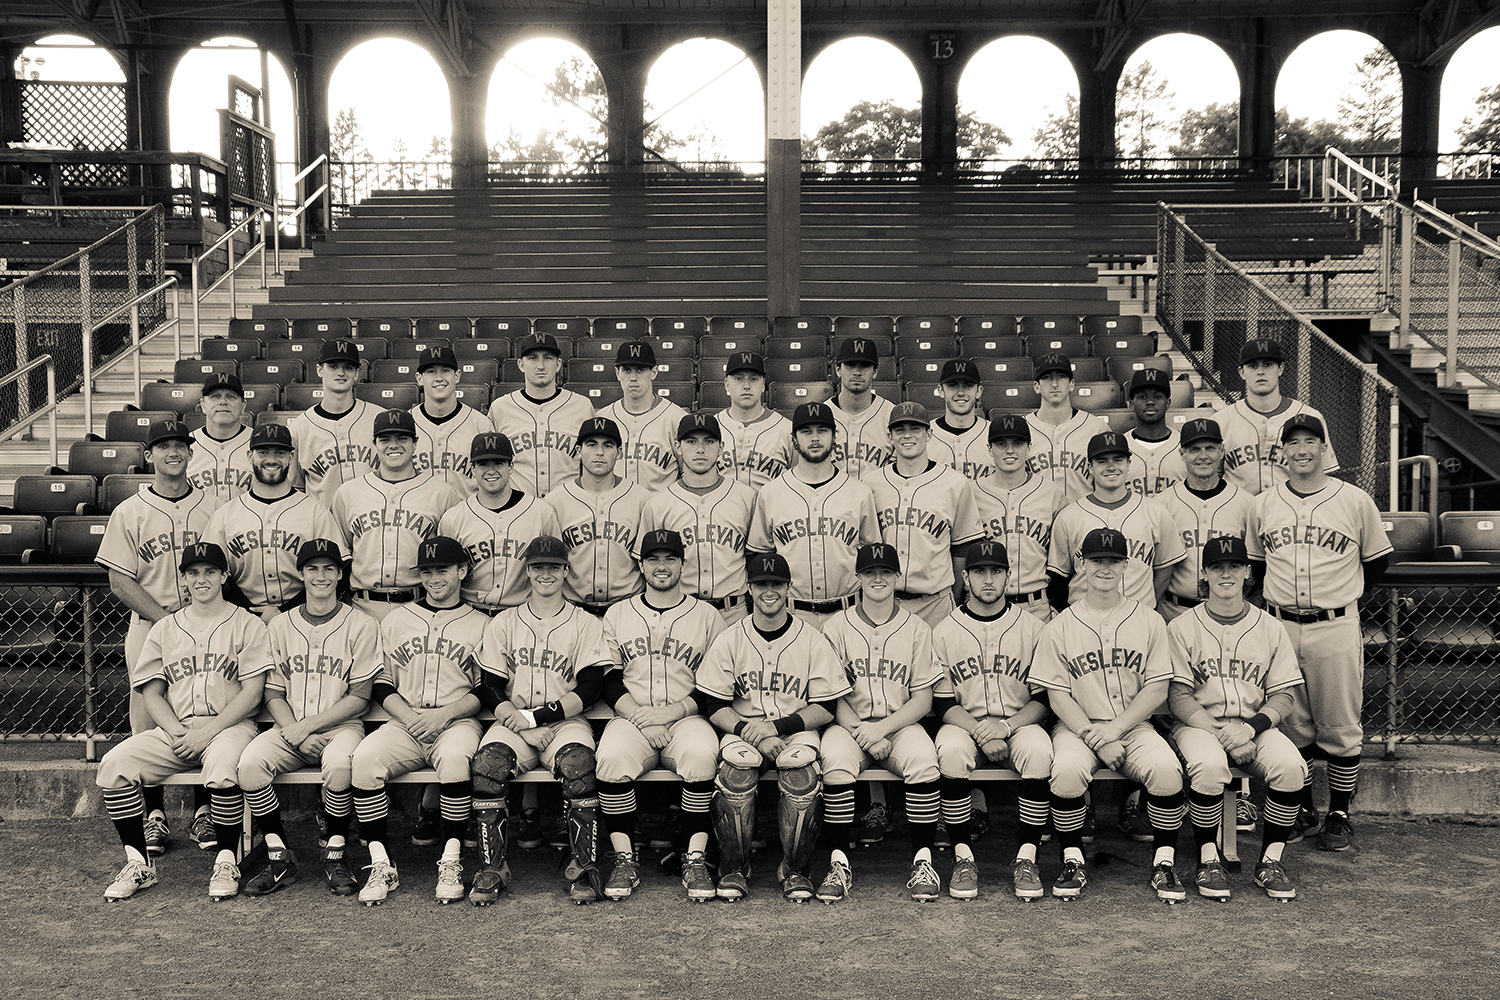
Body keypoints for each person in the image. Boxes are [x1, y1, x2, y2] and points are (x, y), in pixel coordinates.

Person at [1245, 414, 1390, 852]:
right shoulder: (1262, 504)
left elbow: (1377, 562)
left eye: (1312, 441)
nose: (1302, 449)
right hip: (1280, 625)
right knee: (1294, 725)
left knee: (1341, 724)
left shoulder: (1356, 500)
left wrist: (1338, 594)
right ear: (1282, 451)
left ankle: (1340, 813)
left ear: (1325, 449)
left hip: (1336, 625)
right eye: (1294, 442)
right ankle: (1303, 807)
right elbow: (1257, 564)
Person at [96, 541, 272, 901]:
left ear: (224, 576)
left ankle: (226, 859)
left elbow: (252, 694)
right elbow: (151, 693)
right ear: (184, 579)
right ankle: (138, 862)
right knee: (115, 764)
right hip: (177, 727)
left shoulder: (247, 623)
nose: (201, 579)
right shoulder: (164, 628)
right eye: (193, 573)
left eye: (209, 572)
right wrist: (178, 732)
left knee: (223, 768)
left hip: (230, 726)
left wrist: (207, 732)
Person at [1031, 528, 1187, 903]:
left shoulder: (1149, 621)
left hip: (1132, 726)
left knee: (1166, 769)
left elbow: (1157, 688)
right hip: (1077, 727)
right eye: (1097, 560)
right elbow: (1057, 693)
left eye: (1113, 561)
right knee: (1066, 771)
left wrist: (1114, 731)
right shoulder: (1061, 625)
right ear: (1082, 564)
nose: (1105, 567)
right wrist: (1092, 736)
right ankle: (1072, 860)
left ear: (1125, 565)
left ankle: (1164, 863)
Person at [695, 553, 852, 901]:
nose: (769, 591)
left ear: (788, 588)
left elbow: (825, 707)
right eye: (761, 584)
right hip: (743, 729)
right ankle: (734, 867)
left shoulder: (811, 639)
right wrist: (751, 731)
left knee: (801, 776)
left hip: (795, 728)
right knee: (736, 774)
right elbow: (713, 705)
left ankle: (795, 870)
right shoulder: (730, 638)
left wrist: (775, 727)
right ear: (749, 588)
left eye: (776, 584)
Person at [468, 535, 615, 905]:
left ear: (566, 571)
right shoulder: (504, 622)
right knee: (488, 767)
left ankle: (585, 867)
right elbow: (489, 685)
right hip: (513, 721)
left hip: (564, 722)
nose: (545, 574)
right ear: (527, 571)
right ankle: (491, 868)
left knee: (580, 768)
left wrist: (533, 719)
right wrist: (520, 723)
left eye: (553, 566)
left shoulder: (585, 622)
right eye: (537, 567)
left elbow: (591, 687)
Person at [96, 419, 217, 854]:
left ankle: (204, 813)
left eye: (180, 445)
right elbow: (118, 581)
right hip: (150, 629)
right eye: (163, 446)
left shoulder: (213, 507)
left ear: (191, 453)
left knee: (205, 712)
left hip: (209, 630)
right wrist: (167, 620)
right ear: (149, 455)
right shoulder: (129, 510)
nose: (173, 452)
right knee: (148, 722)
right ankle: (154, 815)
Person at [236, 538, 382, 897]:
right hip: (291, 727)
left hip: (340, 728)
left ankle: (334, 852)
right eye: (313, 568)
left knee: (339, 765)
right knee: (250, 764)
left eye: (329, 568)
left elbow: (361, 696)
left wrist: (306, 728)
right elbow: (272, 692)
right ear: (300, 574)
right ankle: (278, 854)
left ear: (340, 574)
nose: (321, 575)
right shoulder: (280, 626)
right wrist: (295, 732)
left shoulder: (361, 624)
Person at [1167, 536, 1308, 901]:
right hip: (1199, 724)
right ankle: (1208, 858)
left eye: (1234, 566)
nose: (1225, 574)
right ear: (1205, 573)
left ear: (1247, 571)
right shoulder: (1182, 627)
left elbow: (1284, 695)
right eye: (1217, 567)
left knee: (1292, 767)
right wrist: (1221, 733)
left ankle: (1270, 861)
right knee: (1210, 766)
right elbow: (1178, 696)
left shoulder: (1270, 627)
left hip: (1254, 725)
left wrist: (1248, 729)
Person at [349, 535, 487, 905]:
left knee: (457, 759)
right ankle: (381, 863)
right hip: (405, 722)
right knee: (363, 761)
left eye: (442, 569)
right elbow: (381, 683)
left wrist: (444, 715)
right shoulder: (397, 619)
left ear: (462, 571)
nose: (434, 578)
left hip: (455, 721)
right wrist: (410, 718)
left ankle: (452, 858)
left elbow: (485, 689)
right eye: (426, 571)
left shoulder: (482, 623)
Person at [597, 529, 726, 900]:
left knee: (702, 755)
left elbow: (716, 684)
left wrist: (671, 713)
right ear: (641, 564)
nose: (661, 566)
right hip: (631, 716)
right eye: (653, 559)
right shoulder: (618, 613)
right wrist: (640, 718)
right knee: (611, 757)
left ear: (683, 564)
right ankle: (624, 858)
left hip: (686, 716)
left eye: (670, 558)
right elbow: (608, 678)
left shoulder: (706, 615)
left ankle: (695, 857)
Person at [817, 543, 945, 903]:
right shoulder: (836, 626)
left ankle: (924, 860)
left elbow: (923, 699)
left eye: (885, 572)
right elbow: (832, 698)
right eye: (870, 572)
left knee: (923, 759)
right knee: (836, 762)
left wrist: (882, 730)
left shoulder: (917, 628)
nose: (878, 578)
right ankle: (838, 862)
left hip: (900, 724)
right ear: (858, 577)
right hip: (849, 724)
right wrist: (865, 733)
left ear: (896, 576)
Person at [931, 540, 1052, 901]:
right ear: (965, 578)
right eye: (979, 571)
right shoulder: (944, 631)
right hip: (965, 724)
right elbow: (943, 704)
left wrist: (1006, 727)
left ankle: (1027, 857)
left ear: (1008, 576)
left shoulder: (1033, 628)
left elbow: (1043, 700)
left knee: (1040, 751)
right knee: (950, 749)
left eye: (996, 571)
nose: (988, 579)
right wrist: (982, 731)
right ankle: (963, 857)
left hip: (1018, 723)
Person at [747, 402, 881, 630]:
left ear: (834, 436)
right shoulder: (771, 493)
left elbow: (873, 557)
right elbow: (757, 556)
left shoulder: (859, 492)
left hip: (848, 614)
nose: (815, 438)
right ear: (793, 439)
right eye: (806, 431)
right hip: (789, 614)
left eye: (822, 430)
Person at [331, 408, 464, 622]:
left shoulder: (442, 494)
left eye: (402, 438)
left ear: (415, 443)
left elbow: (453, 559)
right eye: (385, 439)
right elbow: (341, 556)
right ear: (374, 444)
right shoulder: (349, 493)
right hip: (361, 607)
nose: (393, 445)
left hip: (420, 607)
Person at [205, 423, 347, 621]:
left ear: (290, 457)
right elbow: (210, 573)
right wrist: (248, 612)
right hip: (238, 619)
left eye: (280, 453)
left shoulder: (315, 512)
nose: (271, 460)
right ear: (249, 456)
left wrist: (285, 611)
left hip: (304, 617)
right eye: (263, 452)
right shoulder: (225, 515)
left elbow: (339, 571)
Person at [867, 401, 985, 629]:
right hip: (884, 602)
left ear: (929, 434)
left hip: (936, 604)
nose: (907, 436)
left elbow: (963, 548)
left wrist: (955, 595)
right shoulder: (872, 483)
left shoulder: (954, 483)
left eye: (915, 429)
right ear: (890, 436)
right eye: (900, 429)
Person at [638, 413, 757, 623]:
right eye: (691, 441)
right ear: (678, 447)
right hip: (680, 613)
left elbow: (756, 556)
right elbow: (646, 565)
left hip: (734, 613)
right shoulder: (658, 504)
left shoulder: (746, 497)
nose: (700, 449)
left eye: (709, 441)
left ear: (721, 448)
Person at [1047, 431, 1185, 611]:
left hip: (1139, 619)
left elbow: (1164, 570)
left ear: (1129, 464)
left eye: (1118, 460)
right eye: (1102, 461)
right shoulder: (1069, 516)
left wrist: (1145, 608)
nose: (1111, 467)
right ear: (1090, 467)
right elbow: (1059, 577)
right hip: (1084, 620)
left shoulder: (1155, 511)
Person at [440, 431, 560, 614]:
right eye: (483, 464)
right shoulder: (454, 517)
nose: (491, 471)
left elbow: (556, 569)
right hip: (469, 614)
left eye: (498, 463)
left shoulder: (541, 512)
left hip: (524, 616)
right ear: (473, 469)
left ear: (511, 466)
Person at [1154, 418, 1255, 623]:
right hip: (1174, 611)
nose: (1203, 456)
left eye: (1210, 448)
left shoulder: (1246, 503)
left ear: (1222, 451)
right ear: (1182, 454)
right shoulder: (1161, 504)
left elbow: (1257, 564)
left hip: (1231, 613)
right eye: (1194, 449)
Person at [545, 416, 649, 615]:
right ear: (578, 451)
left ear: (619, 452)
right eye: (591, 445)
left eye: (608, 445)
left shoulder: (642, 500)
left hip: (628, 611)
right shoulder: (555, 502)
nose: (599, 453)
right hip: (572, 612)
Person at [1214, 339, 1340, 495]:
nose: (1261, 372)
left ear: (1280, 369)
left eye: (1268, 365)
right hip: (1240, 513)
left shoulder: (1311, 417)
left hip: (1292, 512)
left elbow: (1325, 476)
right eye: (1253, 366)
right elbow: (1213, 478)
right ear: (1241, 372)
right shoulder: (1220, 421)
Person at [974, 414, 1066, 622]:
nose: (1009, 451)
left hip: (1037, 607)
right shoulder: (973, 492)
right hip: (985, 606)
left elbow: (1063, 555)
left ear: (1029, 447)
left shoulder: (1050, 492)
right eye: (1001, 444)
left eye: (1017, 443)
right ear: (989, 449)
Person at [488, 331, 595, 498]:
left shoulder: (582, 406)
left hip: (570, 505)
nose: (540, 365)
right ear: (520, 364)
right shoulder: (500, 408)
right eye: (532, 358)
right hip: (518, 508)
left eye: (548, 358)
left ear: (558, 364)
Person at [288, 338, 379, 508]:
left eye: (348, 367)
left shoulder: (378, 418)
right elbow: (296, 490)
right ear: (319, 370)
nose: (341, 372)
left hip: (373, 524)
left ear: (357, 373)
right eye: (333, 366)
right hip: (323, 525)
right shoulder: (299, 428)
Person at [595, 341, 687, 492]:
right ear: (618, 373)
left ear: (654, 372)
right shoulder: (602, 419)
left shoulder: (677, 419)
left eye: (640, 370)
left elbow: (688, 474)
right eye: (626, 370)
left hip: (660, 511)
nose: (633, 377)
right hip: (612, 511)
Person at [410, 345, 494, 495]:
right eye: (431, 372)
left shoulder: (480, 424)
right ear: (419, 378)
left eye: (446, 370)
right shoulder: (406, 423)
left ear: (457, 376)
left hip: (467, 516)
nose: (439, 378)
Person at [1025, 353, 1108, 502]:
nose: (1055, 383)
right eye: (1047, 377)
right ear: (1036, 387)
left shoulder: (1097, 428)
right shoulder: (1023, 428)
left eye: (1061, 377)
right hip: (1035, 520)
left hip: (1084, 519)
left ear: (1072, 384)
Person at [714, 351, 793, 489]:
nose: (746, 386)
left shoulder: (787, 430)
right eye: (738, 379)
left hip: (771, 509)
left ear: (763, 384)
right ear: (726, 384)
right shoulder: (712, 427)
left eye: (754, 379)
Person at [828, 337, 896, 480]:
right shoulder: (822, 414)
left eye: (865, 366)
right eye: (850, 365)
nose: (857, 372)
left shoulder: (892, 415)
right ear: (838, 369)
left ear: (875, 371)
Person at [187, 372, 254, 507]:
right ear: (203, 404)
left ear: (243, 405)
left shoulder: (259, 443)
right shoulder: (185, 445)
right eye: (215, 397)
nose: (223, 402)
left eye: (231, 397)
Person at [1122, 368, 1186, 497]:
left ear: (1168, 403)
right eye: (1142, 397)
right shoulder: (1120, 446)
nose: (1150, 402)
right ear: (1130, 404)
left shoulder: (1185, 445)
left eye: (1158, 397)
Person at [927, 359, 992, 479]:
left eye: (968, 386)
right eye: (953, 385)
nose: (961, 392)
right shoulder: (925, 436)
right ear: (941, 390)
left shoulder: (993, 434)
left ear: (979, 391)